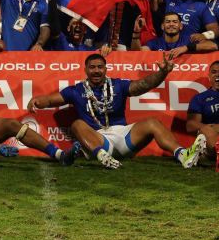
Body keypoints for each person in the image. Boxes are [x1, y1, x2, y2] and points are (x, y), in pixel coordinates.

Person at [27, 50, 200, 169]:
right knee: (77, 124)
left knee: (153, 122)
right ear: (86, 70)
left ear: (105, 69)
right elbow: (50, 99)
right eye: (92, 67)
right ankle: (102, 156)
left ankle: (182, 154)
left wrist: (162, 73)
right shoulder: (76, 90)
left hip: (123, 136)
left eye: (100, 67)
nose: (96, 71)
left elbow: (142, 85)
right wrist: (36, 101)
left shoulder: (118, 84)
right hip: (98, 139)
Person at [134, 13, 217, 54]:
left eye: (175, 22)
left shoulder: (189, 40)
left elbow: (213, 46)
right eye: (168, 22)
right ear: (162, 26)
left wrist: (187, 47)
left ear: (180, 26)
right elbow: (139, 53)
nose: (171, 24)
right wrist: (136, 32)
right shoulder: (155, 43)